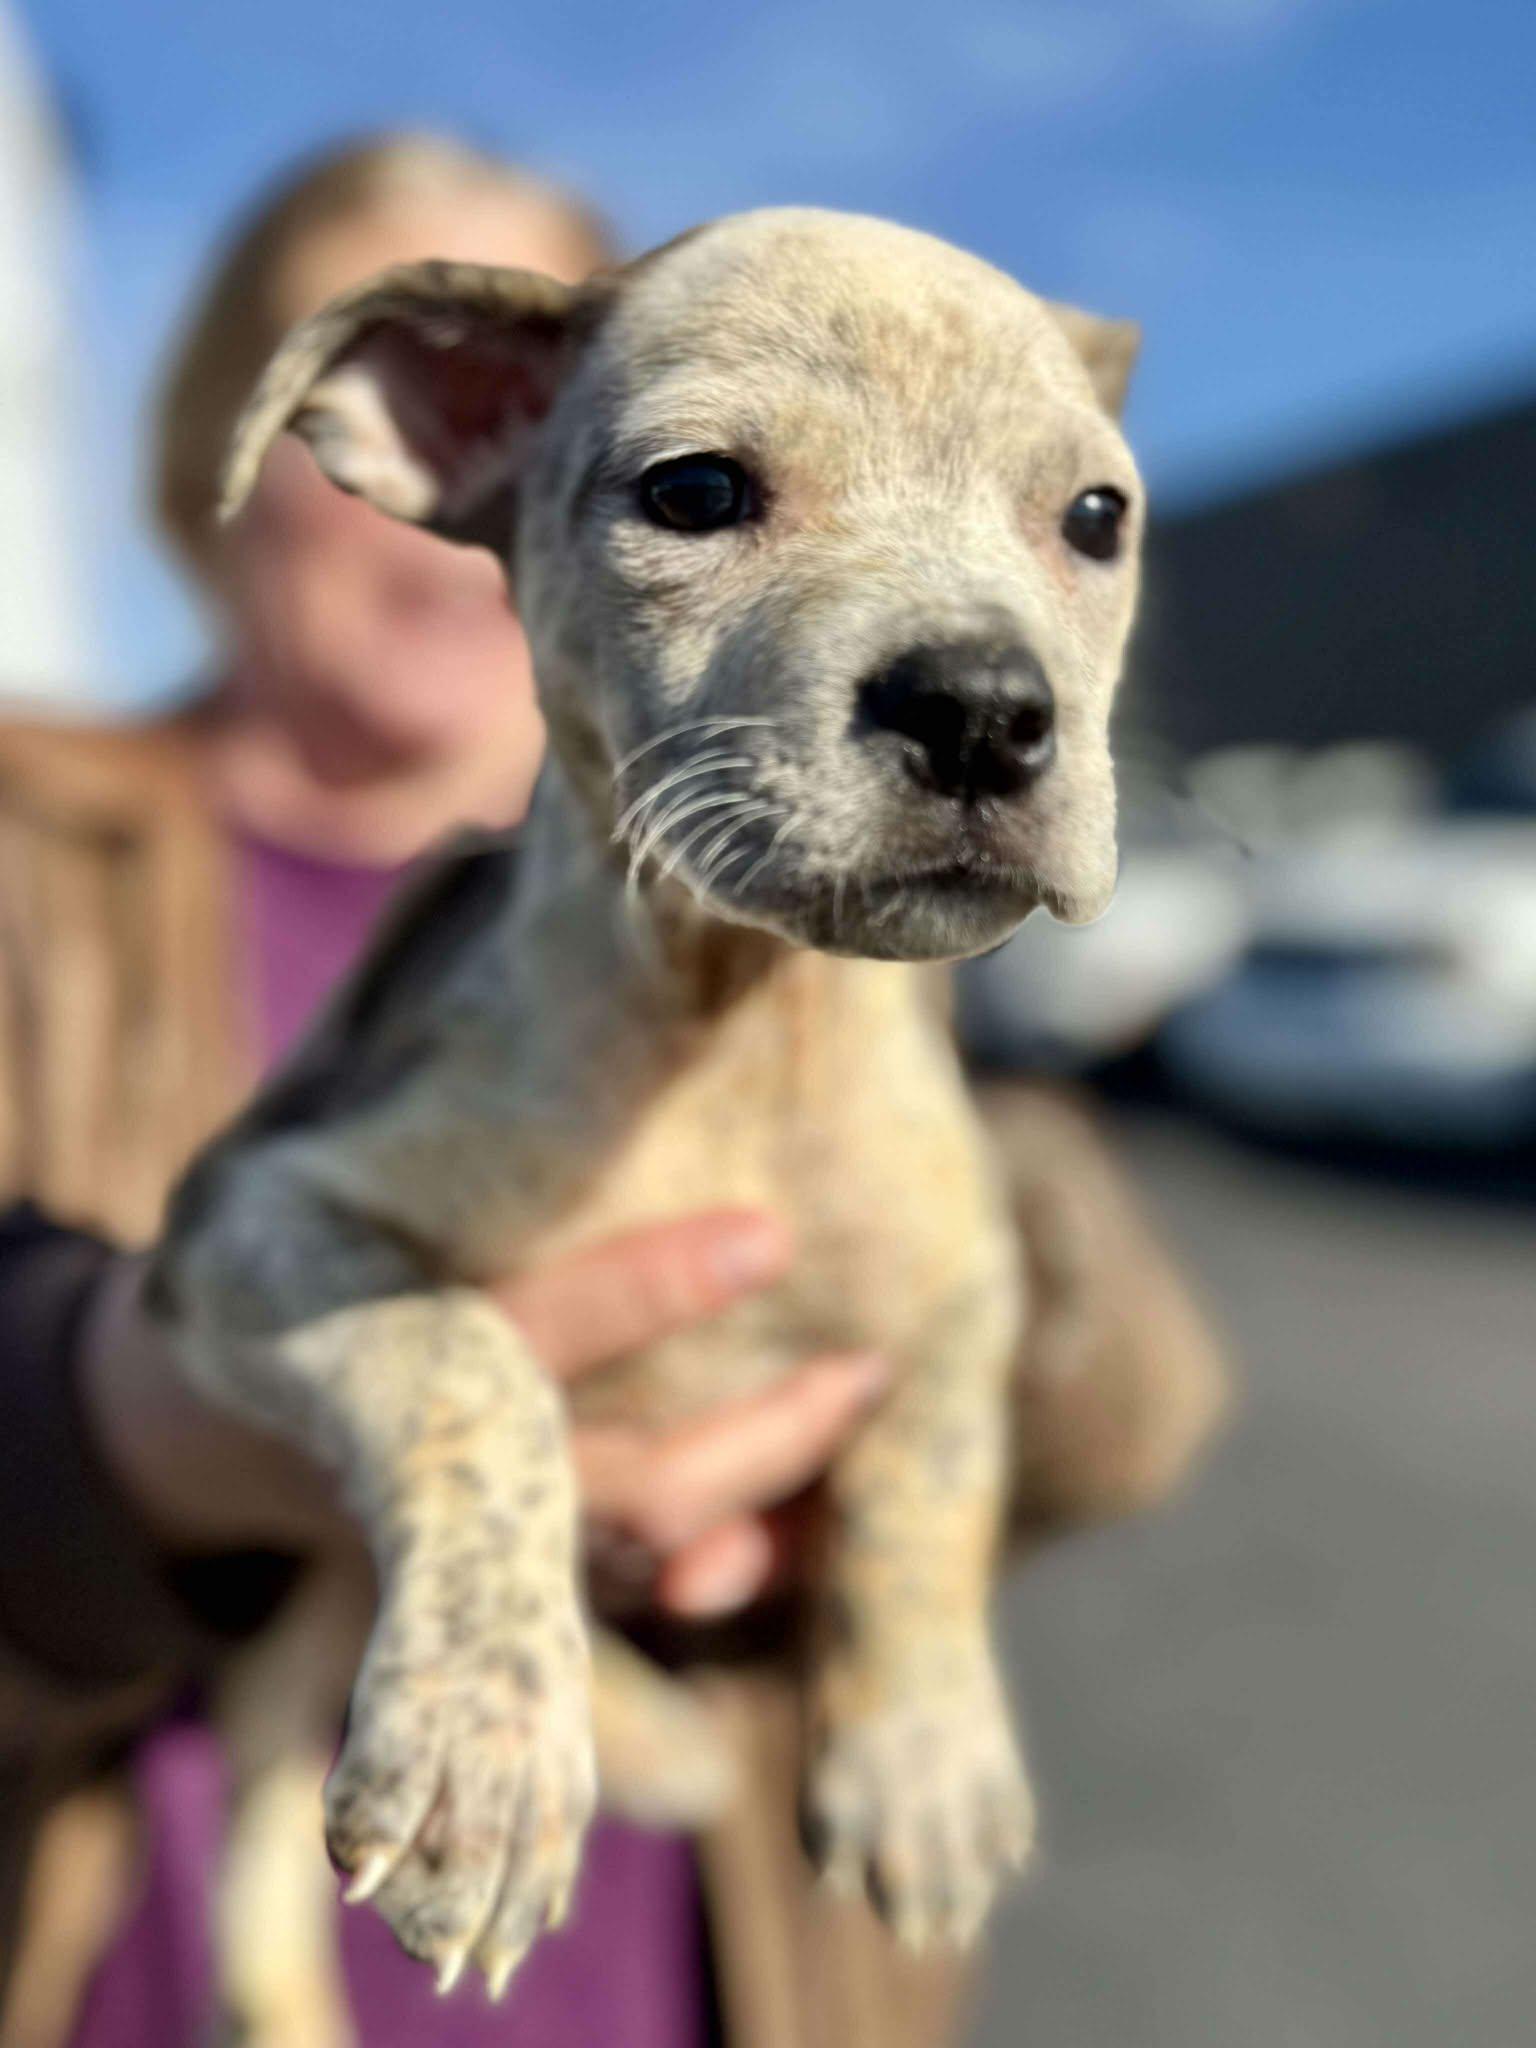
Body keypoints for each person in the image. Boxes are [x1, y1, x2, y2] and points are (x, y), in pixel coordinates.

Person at [0, 134, 1227, 2048]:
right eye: (705, 489)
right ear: (383, 423)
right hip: (135, 1939)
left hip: (705, 1968)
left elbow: (1113, 1403)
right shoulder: (31, 864)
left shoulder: (792, 886)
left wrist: (885, 1557)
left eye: (1077, 516)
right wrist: (164, 1436)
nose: (985, 672)